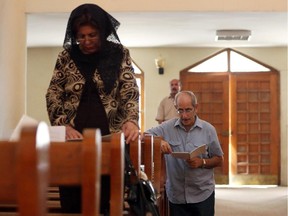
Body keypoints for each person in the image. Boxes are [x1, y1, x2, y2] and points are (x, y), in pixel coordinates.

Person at [45, 3, 139, 215]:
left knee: (104, 199)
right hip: (72, 137)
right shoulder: (66, 56)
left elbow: (129, 90)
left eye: (92, 35)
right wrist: (63, 125)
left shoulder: (119, 53)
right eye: (81, 36)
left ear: (103, 32)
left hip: (108, 137)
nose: (86, 41)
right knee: (70, 199)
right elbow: (53, 94)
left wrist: (131, 120)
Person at [145, 91, 223, 216]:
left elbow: (219, 159)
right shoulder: (167, 127)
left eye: (188, 110)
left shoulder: (208, 130)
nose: (184, 116)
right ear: (176, 108)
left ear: (196, 108)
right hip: (176, 196)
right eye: (180, 110)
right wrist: (159, 141)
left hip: (202, 194)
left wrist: (202, 162)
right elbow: (144, 135)